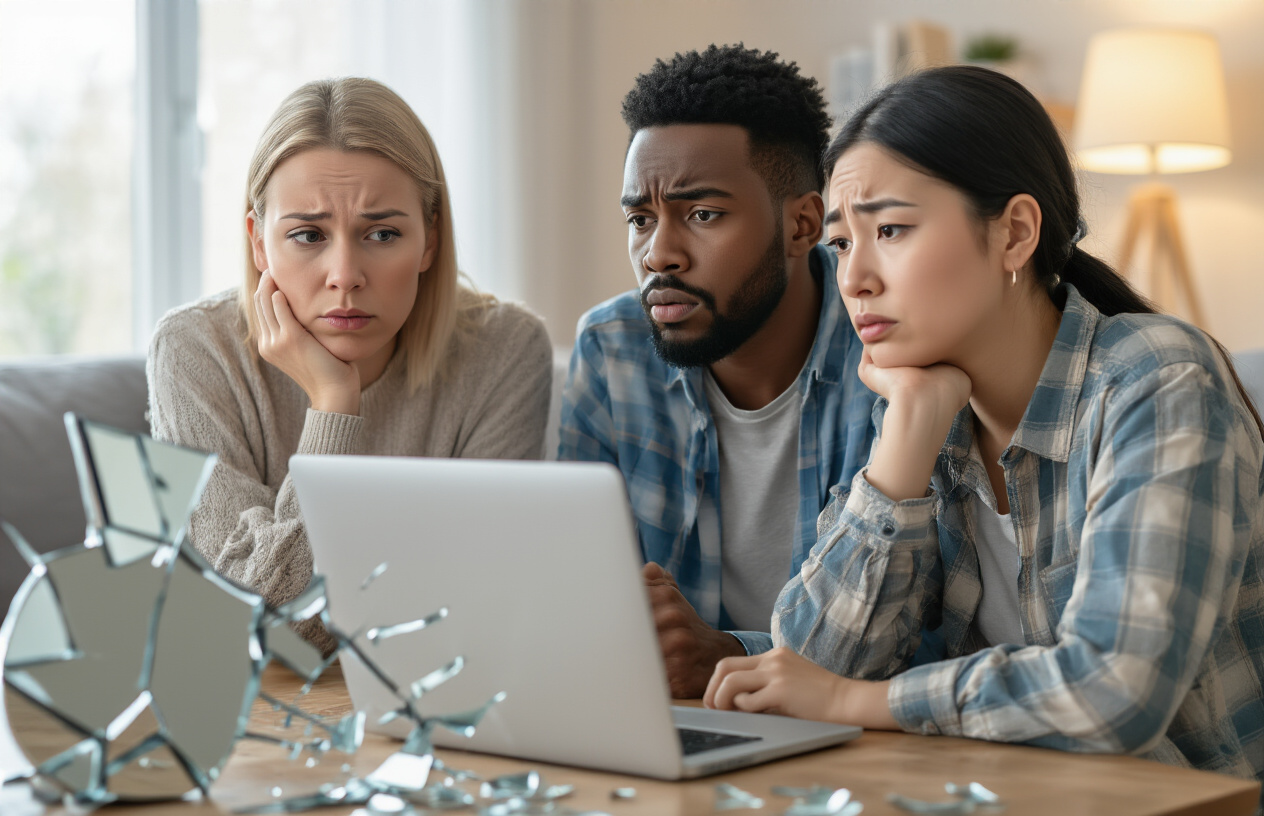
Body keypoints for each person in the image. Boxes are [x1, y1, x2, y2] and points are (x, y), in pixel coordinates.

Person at [704, 65, 1264, 790]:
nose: (854, 278)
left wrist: (852, 704)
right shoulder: (923, 406)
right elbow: (813, 661)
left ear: (1015, 234)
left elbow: (1115, 690)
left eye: (891, 230)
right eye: (841, 244)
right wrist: (905, 440)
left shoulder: (1157, 381)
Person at [148, 78, 553, 653]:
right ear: (259, 242)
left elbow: (483, 608)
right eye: (308, 235)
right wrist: (333, 405)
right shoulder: (194, 351)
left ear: (429, 240)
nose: (345, 275)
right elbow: (254, 627)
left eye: (382, 233)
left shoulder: (504, 352)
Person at [558, 45, 878, 698]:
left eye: (702, 215)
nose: (658, 255)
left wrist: (730, 655)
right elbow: (575, 595)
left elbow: (921, 634)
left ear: (803, 224)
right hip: (661, 719)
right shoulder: (612, 350)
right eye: (640, 219)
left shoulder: (883, 351)